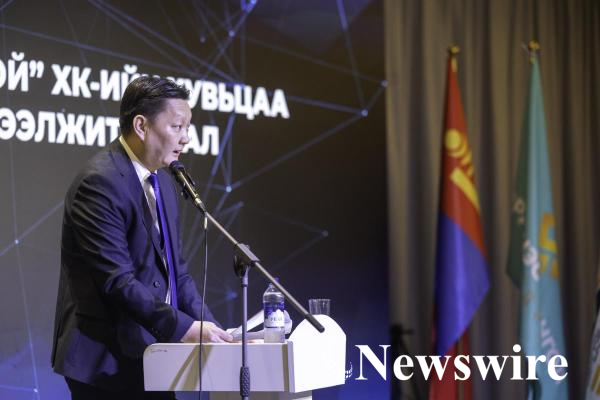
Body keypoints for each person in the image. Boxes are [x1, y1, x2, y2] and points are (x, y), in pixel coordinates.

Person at [51, 76, 232, 400]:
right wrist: (186, 328)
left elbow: (177, 273)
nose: (186, 138)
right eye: (177, 126)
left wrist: (211, 328)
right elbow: (117, 281)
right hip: (105, 363)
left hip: (152, 357)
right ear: (141, 126)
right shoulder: (99, 183)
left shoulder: (164, 183)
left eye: (188, 127)